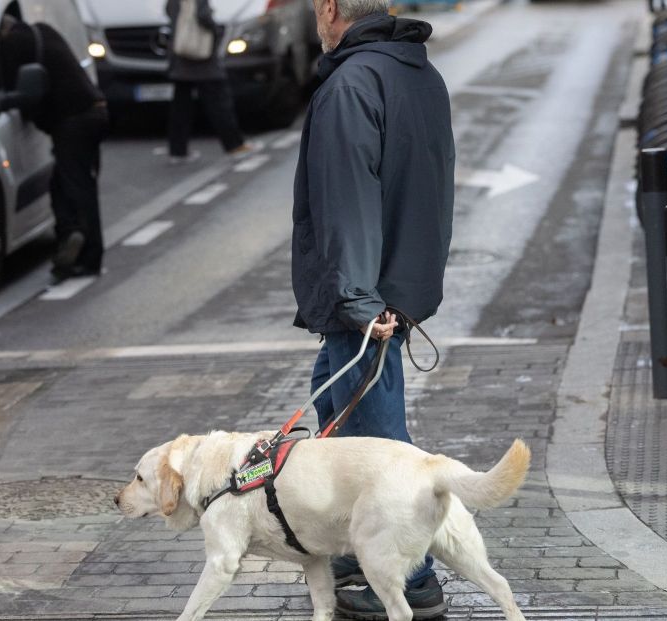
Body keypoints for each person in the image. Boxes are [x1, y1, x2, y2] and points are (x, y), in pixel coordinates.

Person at [290, 0, 454, 618]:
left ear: (331, 7)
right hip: (393, 286)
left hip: (364, 301)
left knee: (378, 440)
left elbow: (348, 199)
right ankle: (349, 548)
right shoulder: (418, 72)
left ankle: (412, 576)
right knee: (332, 416)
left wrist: (360, 304)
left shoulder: (351, 83)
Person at [0, 16, 108, 280]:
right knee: (65, 185)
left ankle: (86, 254)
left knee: (77, 187)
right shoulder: (43, 30)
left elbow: (17, 91)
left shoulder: (12, 45)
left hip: (73, 123)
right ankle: (71, 238)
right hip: (97, 110)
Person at [165, 0, 259, 163]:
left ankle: (177, 150)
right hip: (202, 57)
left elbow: (169, 10)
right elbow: (203, 15)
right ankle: (234, 144)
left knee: (181, 107)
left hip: (181, 56)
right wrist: (215, 32)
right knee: (219, 101)